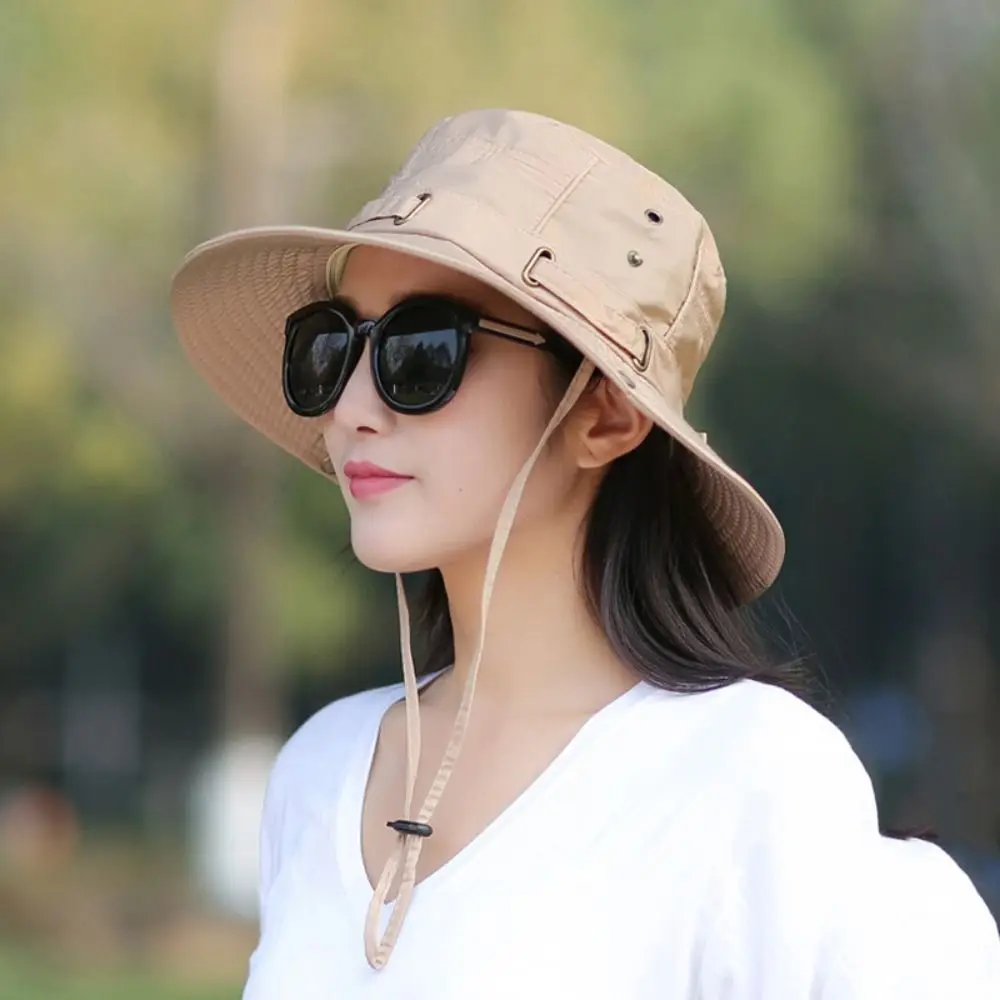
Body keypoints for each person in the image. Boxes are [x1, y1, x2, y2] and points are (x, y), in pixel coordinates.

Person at [171, 109, 1000, 998]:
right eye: (332, 348)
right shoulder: (319, 769)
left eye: (420, 352)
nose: (351, 409)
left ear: (605, 415)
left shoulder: (749, 777)